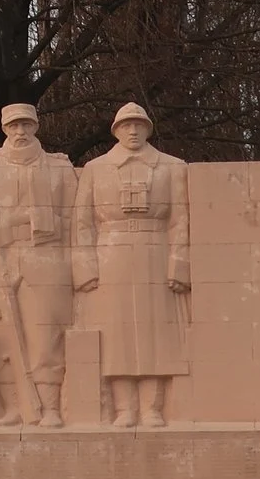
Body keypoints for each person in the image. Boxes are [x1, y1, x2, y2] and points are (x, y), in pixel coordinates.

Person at [74, 101, 190, 427]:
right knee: (116, 336)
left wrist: (178, 264)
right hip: (111, 254)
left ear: (148, 129)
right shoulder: (96, 169)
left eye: (139, 125)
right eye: (127, 125)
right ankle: (125, 408)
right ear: (116, 130)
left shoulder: (172, 167)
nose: (133, 131)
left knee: (156, 335)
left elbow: (181, 219)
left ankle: (153, 408)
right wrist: (85, 268)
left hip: (155, 250)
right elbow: (81, 222)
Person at [0, 102, 78, 427]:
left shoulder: (58, 168)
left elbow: (75, 220)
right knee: (0, 337)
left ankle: (51, 406)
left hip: (44, 257)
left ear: (36, 126)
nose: (20, 131)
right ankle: (14, 405)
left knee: (46, 335)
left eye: (26, 125)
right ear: (4, 128)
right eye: (14, 126)